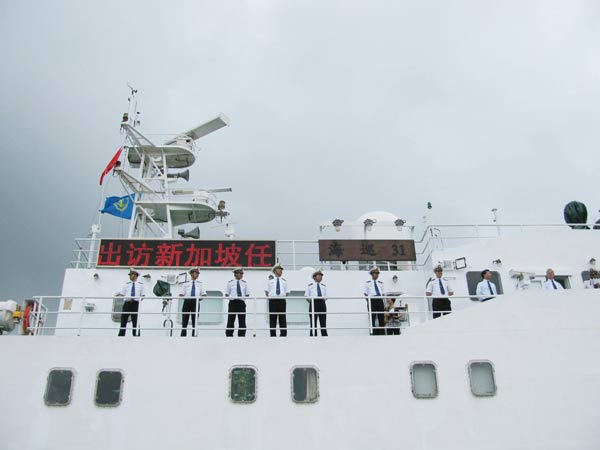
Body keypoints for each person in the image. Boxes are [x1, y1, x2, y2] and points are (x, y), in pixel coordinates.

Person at [116, 268, 145, 336]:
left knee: (135, 320)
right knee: (124, 319)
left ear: (135, 275)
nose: (129, 276)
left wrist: (137, 300)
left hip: (135, 303)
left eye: (131, 274)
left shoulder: (141, 285)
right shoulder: (126, 284)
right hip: (127, 303)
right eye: (129, 275)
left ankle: (136, 334)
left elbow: (143, 295)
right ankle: (121, 334)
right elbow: (122, 294)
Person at [179, 267, 206, 336]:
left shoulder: (200, 284)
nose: (197, 274)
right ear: (191, 273)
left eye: (198, 273)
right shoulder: (185, 283)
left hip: (196, 302)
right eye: (195, 273)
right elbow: (181, 294)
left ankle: (194, 335)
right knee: (185, 319)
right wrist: (186, 299)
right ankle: (183, 335)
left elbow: (204, 295)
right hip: (187, 301)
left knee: (195, 320)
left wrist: (198, 300)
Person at [264, 264, 290, 337]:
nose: (281, 270)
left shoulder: (284, 281)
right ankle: (273, 335)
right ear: (275, 271)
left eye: (281, 269)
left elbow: (287, 292)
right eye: (279, 269)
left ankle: (283, 335)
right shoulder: (270, 281)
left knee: (282, 318)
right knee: (272, 318)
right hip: (273, 301)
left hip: (281, 301)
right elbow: (266, 292)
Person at [225, 267, 250, 336]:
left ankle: (241, 335)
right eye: (239, 273)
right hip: (232, 303)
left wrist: (242, 298)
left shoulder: (244, 283)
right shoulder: (230, 283)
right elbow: (227, 294)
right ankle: (229, 334)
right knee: (231, 319)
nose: (241, 275)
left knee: (242, 320)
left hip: (241, 303)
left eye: (242, 273)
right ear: (235, 274)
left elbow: (247, 294)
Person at [305, 269, 328, 337]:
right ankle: (313, 335)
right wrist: (312, 301)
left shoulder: (324, 286)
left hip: (322, 303)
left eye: (321, 276)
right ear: (314, 277)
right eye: (319, 275)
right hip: (313, 303)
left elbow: (326, 296)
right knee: (313, 322)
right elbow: (306, 295)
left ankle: (324, 336)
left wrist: (322, 300)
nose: (321, 277)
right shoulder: (310, 286)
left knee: (323, 322)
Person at [364, 267, 385, 335]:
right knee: (372, 317)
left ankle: (382, 332)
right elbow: (365, 294)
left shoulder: (380, 283)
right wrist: (368, 302)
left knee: (381, 316)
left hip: (379, 300)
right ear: (372, 274)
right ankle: (373, 332)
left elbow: (383, 293)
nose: (377, 275)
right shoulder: (367, 283)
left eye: (377, 273)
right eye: (375, 273)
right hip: (372, 300)